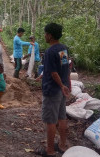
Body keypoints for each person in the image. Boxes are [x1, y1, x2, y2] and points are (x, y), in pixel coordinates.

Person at [37, 23, 70, 157]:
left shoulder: (50, 51)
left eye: (45, 33)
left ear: (50, 35)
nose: (45, 36)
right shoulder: (63, 48)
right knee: (62, 117)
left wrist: (61, 85)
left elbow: (53, 72)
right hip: (62, 90)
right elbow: (65, 67)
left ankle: (49, 150)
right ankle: (62, 145)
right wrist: (66, 85)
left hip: (53, 90)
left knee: (50, 120)